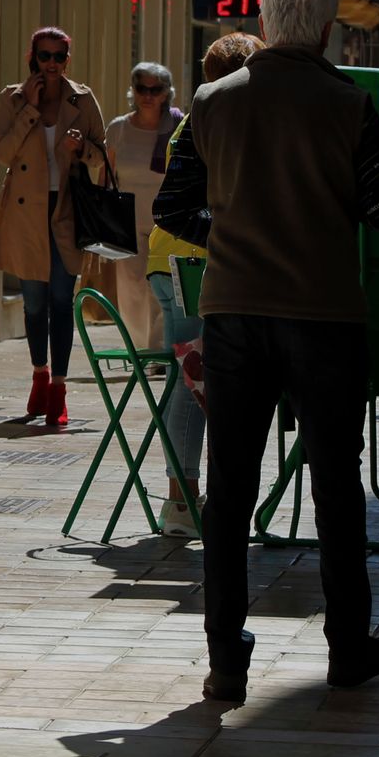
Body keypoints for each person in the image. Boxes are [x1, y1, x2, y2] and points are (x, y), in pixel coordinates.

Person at [153, 0, 379, 703]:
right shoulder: (346, 102)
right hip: (324, 312)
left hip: (234, 313)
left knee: (231, 485)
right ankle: (347, 646)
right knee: (335, 482)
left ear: (265, 24)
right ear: (326, 29)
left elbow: (174, 208)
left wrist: (230, 230)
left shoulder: (211, 100)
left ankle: (224, 657)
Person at [145, 33, 263, 539]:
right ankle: (182, 499)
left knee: (189, 380)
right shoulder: (219, 120)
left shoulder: (200, 117)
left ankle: (184, 496)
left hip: (172, 257)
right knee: (193, 382)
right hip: (193, 262)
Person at [0, 27, 108, 426]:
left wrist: (81, 149)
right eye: (44, 56)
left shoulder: (83, 99)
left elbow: (102, 157)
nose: (52, 64)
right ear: (32, 58)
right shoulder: (14, 98)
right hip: (27, 213)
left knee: (60, 300)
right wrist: (30, 110)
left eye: (59, 57)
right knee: (34, 302)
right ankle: (39, 375)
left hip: (66, 210)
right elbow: (3, 152)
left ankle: (59, 387)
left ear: (67, 60)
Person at [104, 63, 182, 350]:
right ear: (133, 92)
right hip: (127, 223)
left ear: (166, 94)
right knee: (132, 290)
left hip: (168, 224)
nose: (148, 95)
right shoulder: (119, 129)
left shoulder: (177, 127)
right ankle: (139, 350)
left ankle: (160, 348)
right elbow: (107, 177)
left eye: (155, 89)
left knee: (160, 288)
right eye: (142, 89)